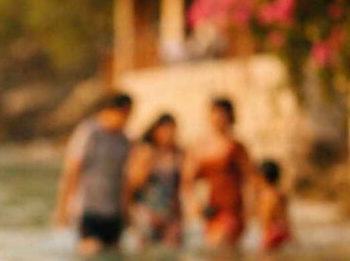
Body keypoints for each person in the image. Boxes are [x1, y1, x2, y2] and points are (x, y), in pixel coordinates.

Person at [54, 93, 133, 254]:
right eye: (125, 114)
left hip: (113, 212)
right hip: (88, 209)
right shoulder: (89, 132)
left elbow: (124, 178)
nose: (127, 119)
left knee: (113, 258)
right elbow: (72, 171)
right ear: (110, 111)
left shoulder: (124, 140)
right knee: (90, 255)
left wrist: (126, 210)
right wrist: (63, 208)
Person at [183, 98, 253, 247]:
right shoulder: (198, 147)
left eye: (222, 114)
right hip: (210, 208)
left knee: (220, 246)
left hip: (232, 208)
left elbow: (249, 178)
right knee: (218, 255)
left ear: (230, 117)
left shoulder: (236, 147)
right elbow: (188, 180)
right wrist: (194, 204)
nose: (218, 118)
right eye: (215, 114)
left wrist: (249, 208)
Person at [124, 113, 184, 247]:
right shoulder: (145, 151)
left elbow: (181, 186)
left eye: (172, 130)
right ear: (155, 131)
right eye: (165, 130)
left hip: (170, 214)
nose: (169, 134)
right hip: (147, 213)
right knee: (145, 258)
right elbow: (132, 183)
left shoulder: (177, 154)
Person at [255, 159, 292, 252]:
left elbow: (266, 216)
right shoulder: (280, 194)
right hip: (283, 230)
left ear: (262, 177)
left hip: (272, 232)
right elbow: (286, 216)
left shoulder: (265, 195)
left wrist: (265, 235)